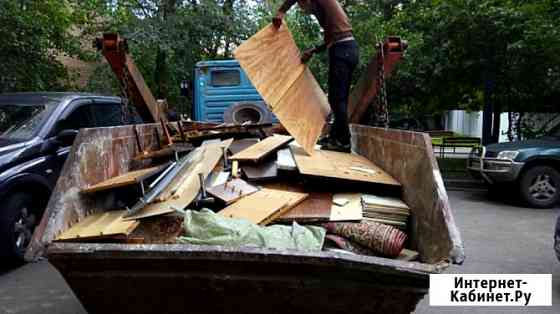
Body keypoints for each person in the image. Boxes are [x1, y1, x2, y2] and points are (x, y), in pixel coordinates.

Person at [273, 0, 359, 152]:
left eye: (302, 5)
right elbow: (330, 40)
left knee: (336, 99)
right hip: (347, 48)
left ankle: (344, 142)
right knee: (339, 99)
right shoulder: (331, 19)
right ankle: (335, 137)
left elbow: (336, 39)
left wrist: (281, 11)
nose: (304, 9)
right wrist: (313, 51)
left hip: (342, 50)